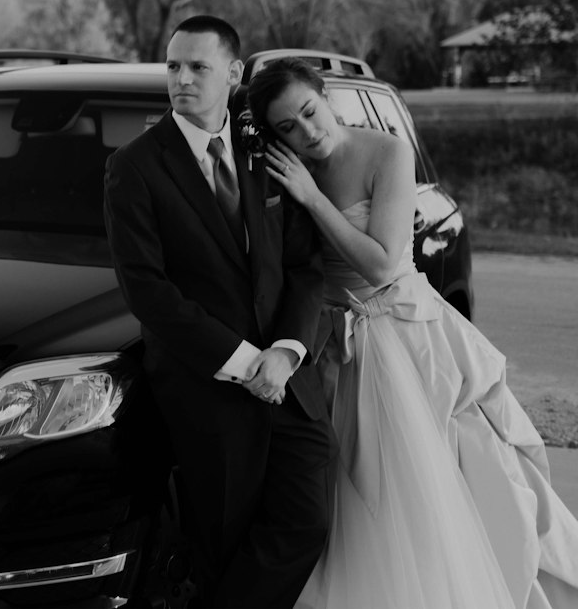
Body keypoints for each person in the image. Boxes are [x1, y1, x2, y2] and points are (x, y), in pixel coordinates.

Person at [247, 56, 578, 609]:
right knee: (339, 499)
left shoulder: (386, 152)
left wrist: (310, 196)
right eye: (288, 128)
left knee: (432, 485)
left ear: (325, 95)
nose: (307, 133)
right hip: (328, 345)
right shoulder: (282, 170)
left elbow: (379, 265)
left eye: (309, 112)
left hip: (403, 337)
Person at [104, 16, 336, 608]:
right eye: (173, 66)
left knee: (306, 522)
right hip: (209, 389)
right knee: (222, 542)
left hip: (290, 379)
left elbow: (308, 267)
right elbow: (147, 290)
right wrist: (245, 362)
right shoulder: (134, 166)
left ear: (233, 74)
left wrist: (284, 352)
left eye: (198, 67)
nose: (182, 79)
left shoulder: (270, 148)